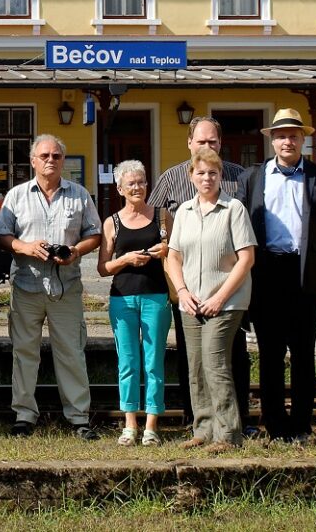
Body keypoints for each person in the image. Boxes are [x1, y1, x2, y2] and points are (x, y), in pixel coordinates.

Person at [236, 108, 316, 444]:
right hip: (267, 273)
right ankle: (275, 426)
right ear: (271, 140)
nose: (287, 141)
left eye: (293, 135)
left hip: (305, 273)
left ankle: (301, 425)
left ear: (303, 139)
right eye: (281, 135)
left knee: (303, 354)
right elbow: (239, 231)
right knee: (269, 355)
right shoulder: (252, 178)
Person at [0, 133, 102, 439]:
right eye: (45, 156)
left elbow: (94, 234)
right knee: (24, 352)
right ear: (33, 161)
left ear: (63, 161)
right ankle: (24, 415)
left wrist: (76, 252)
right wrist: (23, 246)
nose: (50, 160)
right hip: (27, 287)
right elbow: (0, 235)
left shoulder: (79, 195)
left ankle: (79, 417)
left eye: (56, 156)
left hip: (66, 287)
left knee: (71, 351)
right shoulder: (16, 196)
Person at [148, 116, 252, 432]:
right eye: (201, 142)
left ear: (220, 144)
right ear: (190, 143)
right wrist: (177, 287)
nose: (207, 148)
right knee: (193, 361)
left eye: (213, 142)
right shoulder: (171, 179)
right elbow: (161, 230)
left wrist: (224, 292)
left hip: (228, 289)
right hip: (189, 289)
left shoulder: (240, 178)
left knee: (229, 357)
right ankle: (199, 423)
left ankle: (236, 424)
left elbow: (247, 244)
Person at [166, 147, 257, 453]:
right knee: (195, 365)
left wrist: (220, 297)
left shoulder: (234, 209)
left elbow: (246, 259)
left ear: (221, 177)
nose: (207, 178)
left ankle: (229, 434)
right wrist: (182, 292)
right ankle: (203, 429)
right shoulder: (184, 213)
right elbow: (173, 258)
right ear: (192, 176)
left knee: (215, 360)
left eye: (213, 173)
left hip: (227, 302)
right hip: (191, 301)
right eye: (201, 173)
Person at [97, 160, 171, 447]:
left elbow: (176, 254)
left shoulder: (163, 217)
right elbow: (103, 268)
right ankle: (130, 423)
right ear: (120, 189)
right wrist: (126, 259)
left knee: (154, 362)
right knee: (127, 362)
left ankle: (152, 424)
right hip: (122, 299)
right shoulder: (112, 222)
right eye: (131, 184)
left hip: (156, 295)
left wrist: (166, 249)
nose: (137, 187)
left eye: (141, 182)